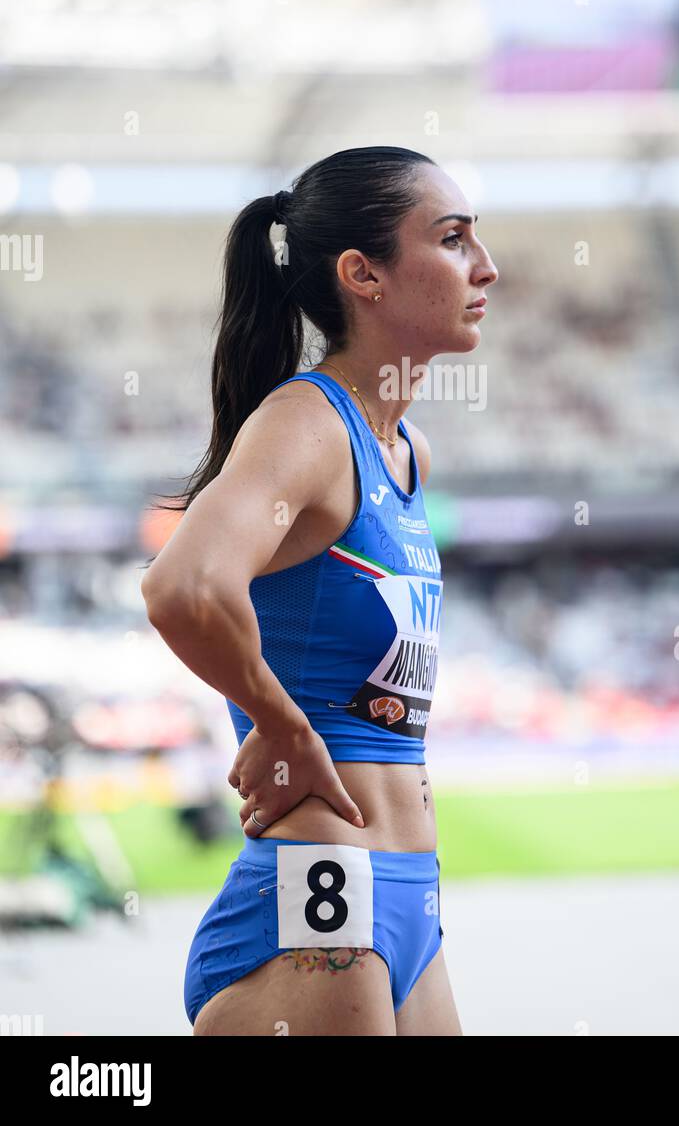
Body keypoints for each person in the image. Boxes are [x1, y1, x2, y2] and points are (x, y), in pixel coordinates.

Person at [141, 146, 498, 1036]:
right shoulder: (310, 421)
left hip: (407, 894)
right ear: (362, 275)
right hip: (322, 889)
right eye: (452, 240)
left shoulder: (407, 453)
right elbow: (181, 584)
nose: (485, 267)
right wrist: (280, 722)